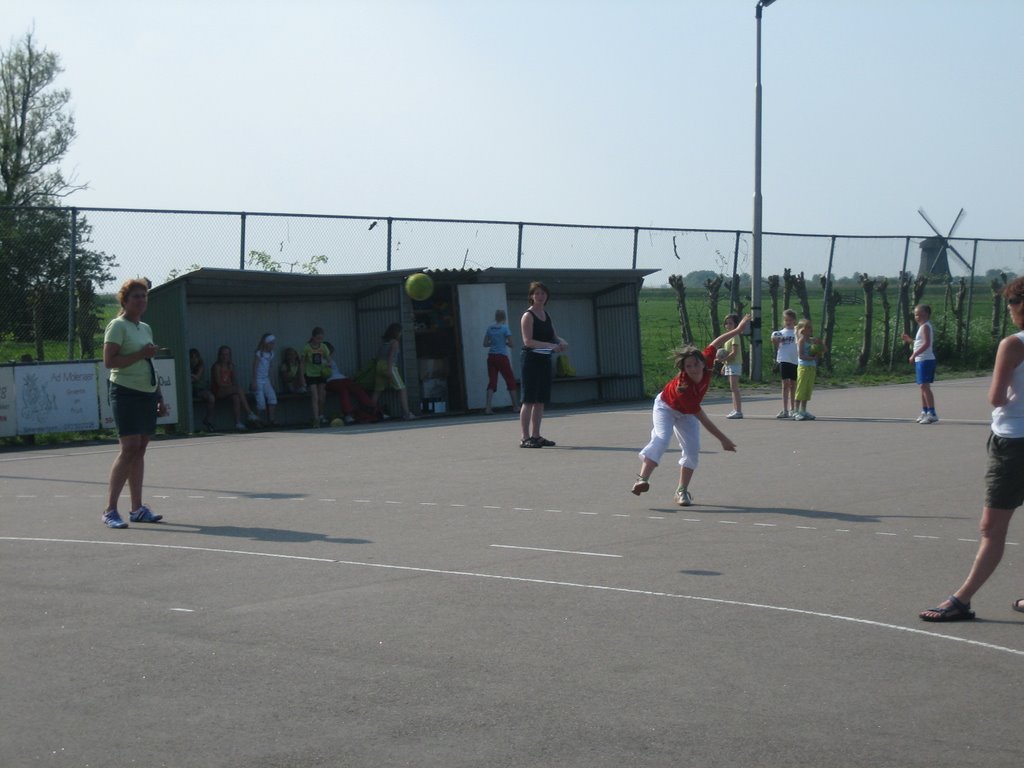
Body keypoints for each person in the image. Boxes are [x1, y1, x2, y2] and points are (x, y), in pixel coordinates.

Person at [919, 277, 1024, 622]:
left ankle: (961, 599)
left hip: (1013, 442)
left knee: (991, 529)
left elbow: (996, 396)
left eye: (1010, 304)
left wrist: (1005, 396)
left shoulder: (1013, 344)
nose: (1009, 310)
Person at [631, 314, 751, 506]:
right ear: (684, 369)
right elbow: (702, 417)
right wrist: (723, 439)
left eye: (696, 364)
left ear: (703, 362)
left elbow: (717, 341)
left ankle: (681, 491)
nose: (694, 368)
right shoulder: (683, 387)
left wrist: (736, 331)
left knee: (692, 450)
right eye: (689, 366)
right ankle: (642, 479)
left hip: (686, 413)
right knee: (661, 438)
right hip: (666, 407)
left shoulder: (707, 360)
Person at [100, 278, 166, 529]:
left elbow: (149, 363)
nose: (141, 300)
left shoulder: (145, 327)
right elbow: (110, 361)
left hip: (147, 393)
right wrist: (141, 354)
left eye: (144, 296)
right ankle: (109, 510)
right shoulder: (117, 326)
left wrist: (160, 397)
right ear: (125, 300)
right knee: (128, 449)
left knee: (140, 449)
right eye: (136, 296)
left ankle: (137, 508)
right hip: (125, 392)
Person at [519, 281, 567, 448]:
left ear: (547, 297)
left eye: (543, 293)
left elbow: (553, 336)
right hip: (531, 360)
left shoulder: (546, 315)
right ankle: (525, 438)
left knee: (540, 400)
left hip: (544, 360)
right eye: (537, 293)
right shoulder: (528, 316)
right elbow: (528, 341)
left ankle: (536, 435)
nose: (540, 296)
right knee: (529, 400)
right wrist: (550, 346)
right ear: (531, 296)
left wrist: (561, 342)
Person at [368, 323, 416, 420]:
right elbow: (390, 357)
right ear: (397, 333)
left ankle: (369, 413)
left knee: (377, 390)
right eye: (400, 332)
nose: (401, 334)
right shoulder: (395, 343)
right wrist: (389, 370)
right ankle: (407, 414)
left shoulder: (385, 343)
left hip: (379, 366)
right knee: (402, 389)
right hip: (389, 366)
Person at [324, 342, 378, 424]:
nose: (330, 355)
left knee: (357, 388)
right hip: (331, 381)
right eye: (329, 353)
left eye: (331, 353)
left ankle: (373, 409)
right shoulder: (319, 360)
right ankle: (348, 414)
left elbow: (337, 372)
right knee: (343, 390)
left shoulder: (331, 360)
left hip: (342, 379)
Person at [902, 304, 938, 424]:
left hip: (926, 360)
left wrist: (914, 354)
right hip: (921, 360)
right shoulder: (922, 327)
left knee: (925, 387)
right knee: (922, 387)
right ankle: (925, 411)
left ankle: (932, 413)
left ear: (926, 314)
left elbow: (927, 344)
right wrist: (910, 341)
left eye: (919, 314)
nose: (917, 316)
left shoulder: (926, 327)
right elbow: (920, 342)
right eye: (916, 314)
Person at [211, 345, 259, 430]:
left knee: (236, 397)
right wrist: (233, 387)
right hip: (219, 390)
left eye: (227, 354)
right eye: (223, 354)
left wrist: (233, 387)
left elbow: (234, 380)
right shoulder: (217, 366)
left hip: (229, 389)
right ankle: (249, 413)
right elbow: (219, 383)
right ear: (219, 355)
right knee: (237, 389)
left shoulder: (231, 366)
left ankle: (237, 422)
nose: (225, 357)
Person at [483, 309, 519, 414]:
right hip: (502, 356)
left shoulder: (490, 328)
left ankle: (488, 408)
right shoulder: (505, 328)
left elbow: (485, 343)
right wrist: (505, 343)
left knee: (492, 381)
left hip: (491, 356)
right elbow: (512, 344)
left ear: (495, 317)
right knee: (510, 380)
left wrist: (494, 343)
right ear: (504, 318)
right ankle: (515, 406)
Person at [793, 318, 826, 421]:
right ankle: (796, 411)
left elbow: (825, 350)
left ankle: (803, 410)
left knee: (807, 389)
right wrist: (812, 358)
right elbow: (801, 355)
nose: (810, 329)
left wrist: (820, 343)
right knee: (801, 389)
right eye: (807, 328)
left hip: (812, 367)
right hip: (803, 367)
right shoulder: (801, 340)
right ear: (802, 330)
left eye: (810, 327)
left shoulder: (812, 340)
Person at [301, 327, 333, 427]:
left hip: (321, 374)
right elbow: (301, 363)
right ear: (313, 337)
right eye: (318, 338)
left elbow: (329, 360)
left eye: (321, 338)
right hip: (311, 374)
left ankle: (321, 415)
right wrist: (302, 378)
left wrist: (327, 364)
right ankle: (316, 419)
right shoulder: (307, 347)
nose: (320, 340)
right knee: (315, 396)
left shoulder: (323, 347)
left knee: (322, 396)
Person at [771, 308, 798, 419]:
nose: (788, 322)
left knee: (793, 385)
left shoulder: (797, 332)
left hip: (795, 360)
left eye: (790, 320)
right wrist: (775, 341)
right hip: (784, 359)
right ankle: (785, 409)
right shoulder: (780, 333)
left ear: (794, 321)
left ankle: (793, 409)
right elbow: (777, 347)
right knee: (785, 384)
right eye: (786, 320)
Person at [251, 333, 279, 426]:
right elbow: (255, 367)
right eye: (271, 343)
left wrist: (273, 381)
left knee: (272, 398)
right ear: (266, 343)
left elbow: (270, 368)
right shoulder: (259, 353)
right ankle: (257, 420)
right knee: (261, 402)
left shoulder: (271, 354)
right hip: (258, 380)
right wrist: (254, 381)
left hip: (266, 380)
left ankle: (272, 419)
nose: (273, 345)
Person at [721, 313, 744, 419]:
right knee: (732, 388)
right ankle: (735, 409)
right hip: (730, 364)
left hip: (735, 364)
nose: (728, 325)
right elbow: (727, 353)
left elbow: (734, 353)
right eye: (726, 323)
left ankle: (738, 411)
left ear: (736, 325)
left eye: (730, 323)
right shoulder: (728, 338)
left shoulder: (735, 336)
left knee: (734, 388)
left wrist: (722, 359)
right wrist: (724, 365)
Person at [189, 348, 215, 432]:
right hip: (189, 391)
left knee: (211, 397)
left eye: (196, 357)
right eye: (192, 357)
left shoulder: (200, 366)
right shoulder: (186, 365)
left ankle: (208, 419)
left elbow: (197, 378)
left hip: (199, 389)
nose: (194, 359)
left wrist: (191, 376)